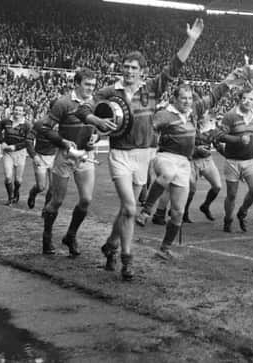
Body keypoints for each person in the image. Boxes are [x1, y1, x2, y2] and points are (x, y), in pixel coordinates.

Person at [78, 19, 204, 279]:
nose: (129, 71)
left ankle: (110, 245)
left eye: (134, 68)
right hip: (120, 155)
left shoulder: (150, 91)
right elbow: (83, 108)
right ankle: (127, 259)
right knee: (130, 208)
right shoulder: (110, 91)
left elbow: (174, 67)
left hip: (144, 156)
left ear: (142, 71)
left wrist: (191, 39)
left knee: (127, 209)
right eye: (126, 67)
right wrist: (95, 121)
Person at [135, 72, 241, 257]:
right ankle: (146, 210)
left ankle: (165, 248)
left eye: (190, 98)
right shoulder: (164, 114)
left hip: (184, 162)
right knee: (167, 174)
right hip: (166, 157)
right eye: (183, 98)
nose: (187, 101)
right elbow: (147, 127)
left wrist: (230, 80)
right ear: (174, 99)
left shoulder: (194, 111)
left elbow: (214, 96)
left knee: (177, 212)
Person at [35, 68, 99, 256]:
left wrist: (96, 138)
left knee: (86, 200)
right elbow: (43, 127)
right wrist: (62, 142)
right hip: (65, 156)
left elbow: (98, 129)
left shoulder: (95, 103)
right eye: (87, 84)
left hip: (86, 157)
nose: (90, 89)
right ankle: (47, 236)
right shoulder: (63, 103)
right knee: (57, 201)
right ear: (76, 84)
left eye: (93, 85)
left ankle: (70, 235)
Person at [217, 88, 253, 233]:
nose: (248, 101)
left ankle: (242, 212)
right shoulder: (230, 116)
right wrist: (238, 139)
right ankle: (228, 219)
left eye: (251, 99)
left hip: (251, 159)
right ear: (239, 99)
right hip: (233, 161)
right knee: (232, 195)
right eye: (245, 99)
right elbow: (220, 135)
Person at [182, 109, 222, 223]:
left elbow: (217, 144)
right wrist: (196, 149)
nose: (209, 117)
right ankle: (184, 211)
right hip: (191, 160)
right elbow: (182, 145)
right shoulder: (189, 125)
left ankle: (205, 206)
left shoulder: (211, 127)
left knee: (217, 186)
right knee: (191, 189)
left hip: (206, 159)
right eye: (206, 114)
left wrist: (232, 154)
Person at [0, 103, 32, 205]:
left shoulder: (27, 125)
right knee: (8, 176)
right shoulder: (6, 121)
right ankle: (10, 197)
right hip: (7, 152)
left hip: (20, 153)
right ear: (13, 110)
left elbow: (28, 141)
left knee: (18, 180)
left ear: (24, 112)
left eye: (20, 110)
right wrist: (2, 142)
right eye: (16, 109)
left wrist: (15, 147)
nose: (17, 112)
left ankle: (16, 192)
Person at [26, 100, 58, 209]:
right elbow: (29, 139)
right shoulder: (40, 123)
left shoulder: (62, 125)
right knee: (41, 187)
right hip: (40, 157)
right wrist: (34, 155)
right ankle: (32, 193)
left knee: (53, 187)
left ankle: (46, 208)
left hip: (54, 157)